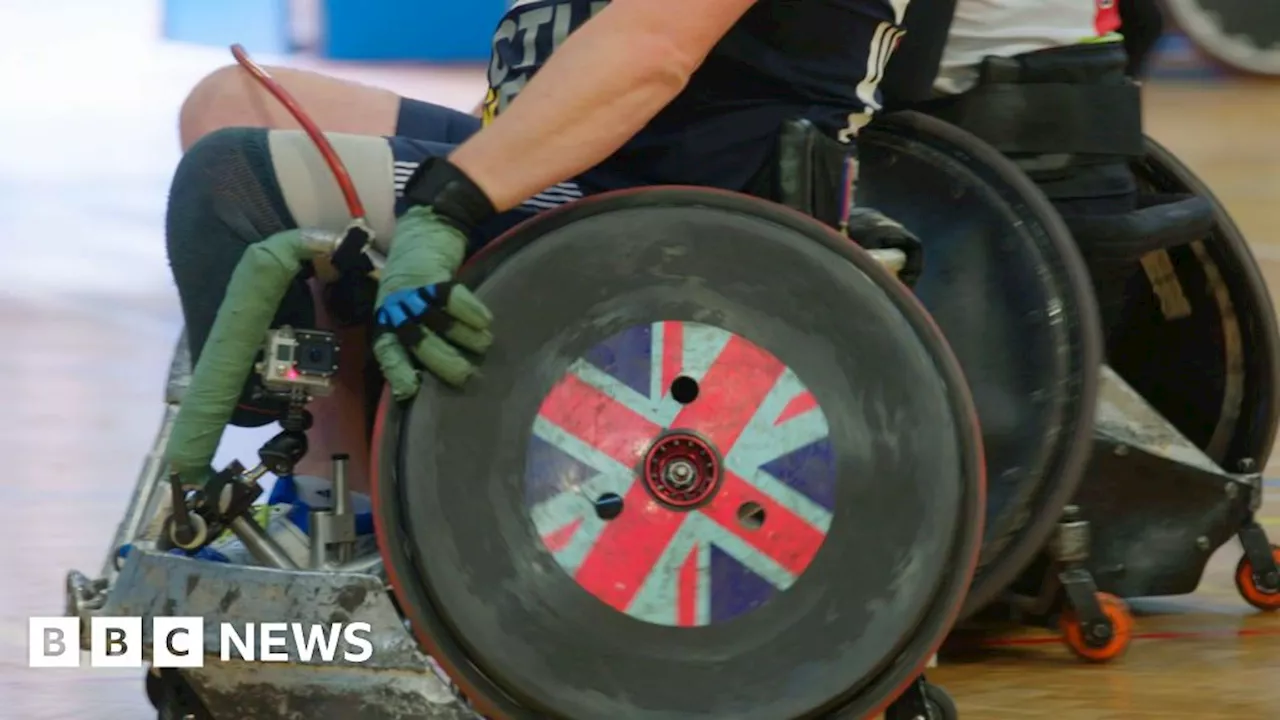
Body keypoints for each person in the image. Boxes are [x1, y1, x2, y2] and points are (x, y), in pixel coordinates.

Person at [164, 0, 925, 559]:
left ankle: (364, 527)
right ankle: (339, 497)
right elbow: (531, 95)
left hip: (673, 214)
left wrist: (447, 198)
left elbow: (653, 50)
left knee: (236, 180)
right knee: (230, 104)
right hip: (568, 178)